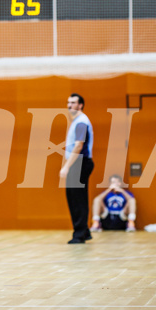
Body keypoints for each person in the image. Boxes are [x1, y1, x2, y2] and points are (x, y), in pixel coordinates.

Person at [60, 93, 94, 244]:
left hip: (80, 163)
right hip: (78, 163)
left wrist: (66, 167)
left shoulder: (81, 122)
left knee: (77, 200)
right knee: (76, 198)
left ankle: (79, 234)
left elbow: (79, 145)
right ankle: (84, 231)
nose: (69, 105)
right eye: (68, 102)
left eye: (73, 102)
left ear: (80, 105)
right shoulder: (77, 122)